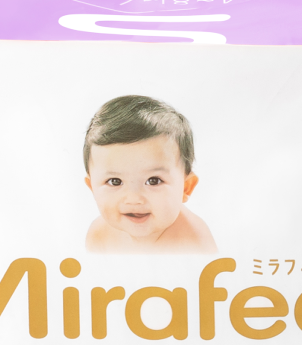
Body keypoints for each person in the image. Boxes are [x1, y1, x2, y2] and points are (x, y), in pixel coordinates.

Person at [81, 94, 215, 253]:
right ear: (92, 188)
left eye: (153, 181)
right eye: (115, 181)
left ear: (186, 187)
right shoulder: (99, 236)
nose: (134, 199)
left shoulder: (194, 241)